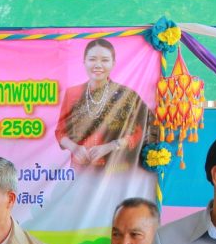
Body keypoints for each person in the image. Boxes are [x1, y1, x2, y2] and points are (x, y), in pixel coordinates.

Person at [55, 39, 154, 173]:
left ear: (113, 63)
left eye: (105, 60)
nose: (98, 65)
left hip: (115, 169)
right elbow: (60, 131)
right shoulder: (72, 93)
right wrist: (74, 147)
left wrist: (111, 146)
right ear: (84, 62)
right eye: (92, 59)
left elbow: (140, 131)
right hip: (80, 169)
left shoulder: (127, 94)